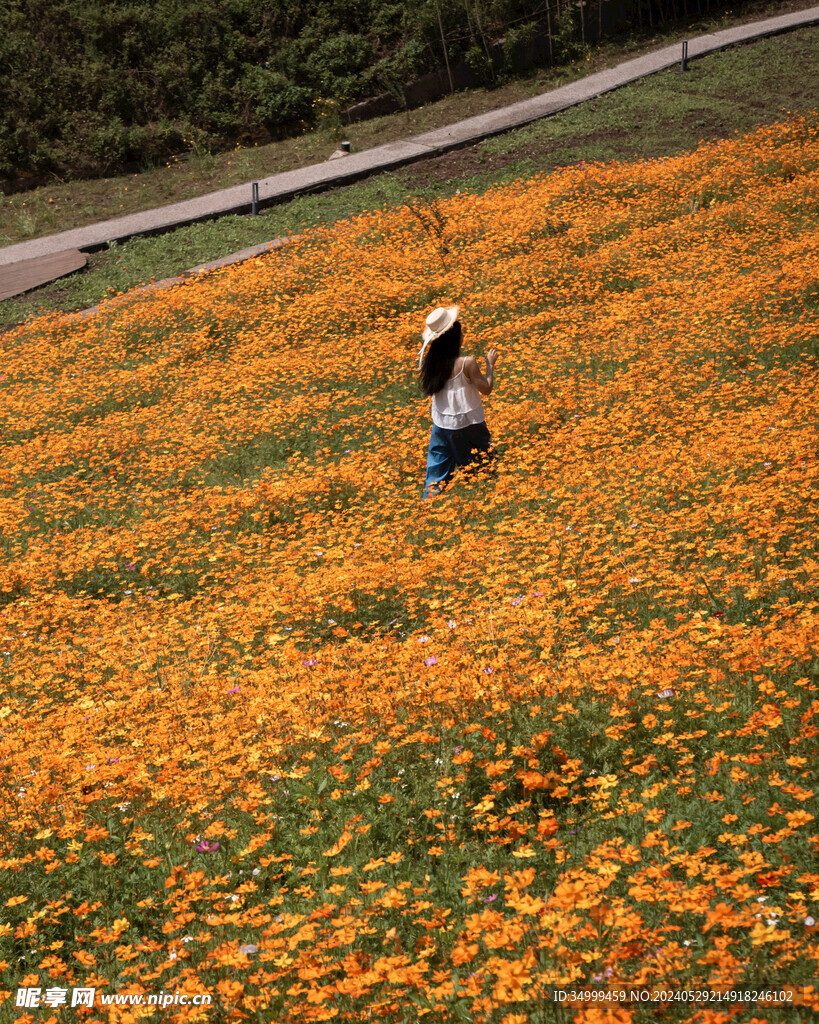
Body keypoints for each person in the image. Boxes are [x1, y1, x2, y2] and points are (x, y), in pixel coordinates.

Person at [417, 305, 499, 500]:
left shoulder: (431, 363)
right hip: (468, 425)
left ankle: (427, 506)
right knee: (481, 468)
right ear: (455, 338)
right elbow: (486, 389)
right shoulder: (466, 363)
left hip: (441, 425)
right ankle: (482, 503)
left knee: (436, 473)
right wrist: (490, 366)